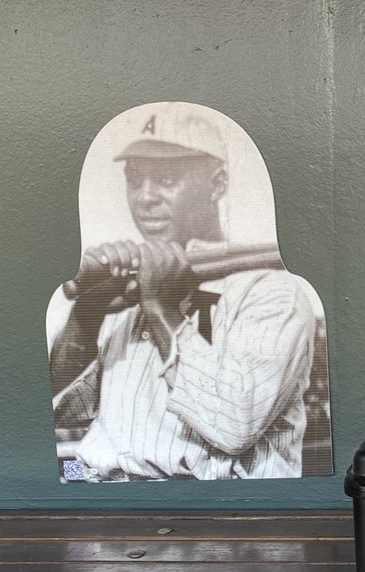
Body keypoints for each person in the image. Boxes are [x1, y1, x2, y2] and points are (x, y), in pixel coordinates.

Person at [50, 105, 317, 481]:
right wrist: (87, 312)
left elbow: (232, 426)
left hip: (215, 513)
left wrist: (160, 308)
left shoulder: (271, 291)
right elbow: (60, 414)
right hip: (98, 491)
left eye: (165, 179)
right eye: (135, 179)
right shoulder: (129, 291)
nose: (145, 197)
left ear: (218, 183)